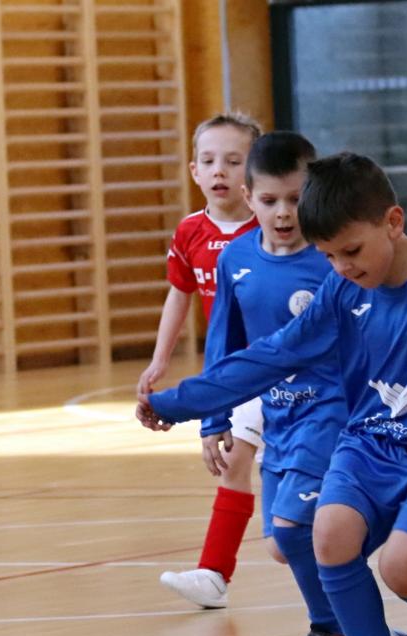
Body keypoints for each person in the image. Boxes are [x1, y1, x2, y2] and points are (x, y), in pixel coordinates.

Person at [139, 153, 407, 636]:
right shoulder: (341, 290)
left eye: (351, 251)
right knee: (325, 533)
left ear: (394, 222)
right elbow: (272, 354)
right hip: (365, 445)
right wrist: (180, 403)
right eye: (328, 256)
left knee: (404, 568)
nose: (341, 267)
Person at [141, 131, 351, 636]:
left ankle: (338, 631)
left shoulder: (334, 259)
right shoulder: (236, 258)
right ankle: (341, 608)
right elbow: (225, 346)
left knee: (293, 528)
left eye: (295, 199)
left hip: (330, 410)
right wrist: (213, 418)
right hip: (277, 413)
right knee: (282, 544)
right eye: (270, 200)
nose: (283, 213)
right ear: (248, 196)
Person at [140, 112, 267, 609]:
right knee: (234, 463)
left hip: (287, 369)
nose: (220, 171)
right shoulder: (190, 231)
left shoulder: (273, 226)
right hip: (235, 375)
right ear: (194, 170)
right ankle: (214, 574)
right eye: (209, 161)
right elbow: (180, 294)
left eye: (233, 161)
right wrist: (160, 359)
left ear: (253, 171)